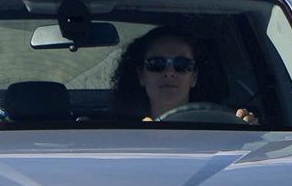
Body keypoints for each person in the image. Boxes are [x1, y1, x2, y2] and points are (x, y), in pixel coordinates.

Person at [110, 26, 258, 124]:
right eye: (156, 64)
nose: (169, 72)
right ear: (141, 76)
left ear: (194, 77)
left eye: (181, 65)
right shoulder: (116, 136)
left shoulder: (225, 128)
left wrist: (249, 134)